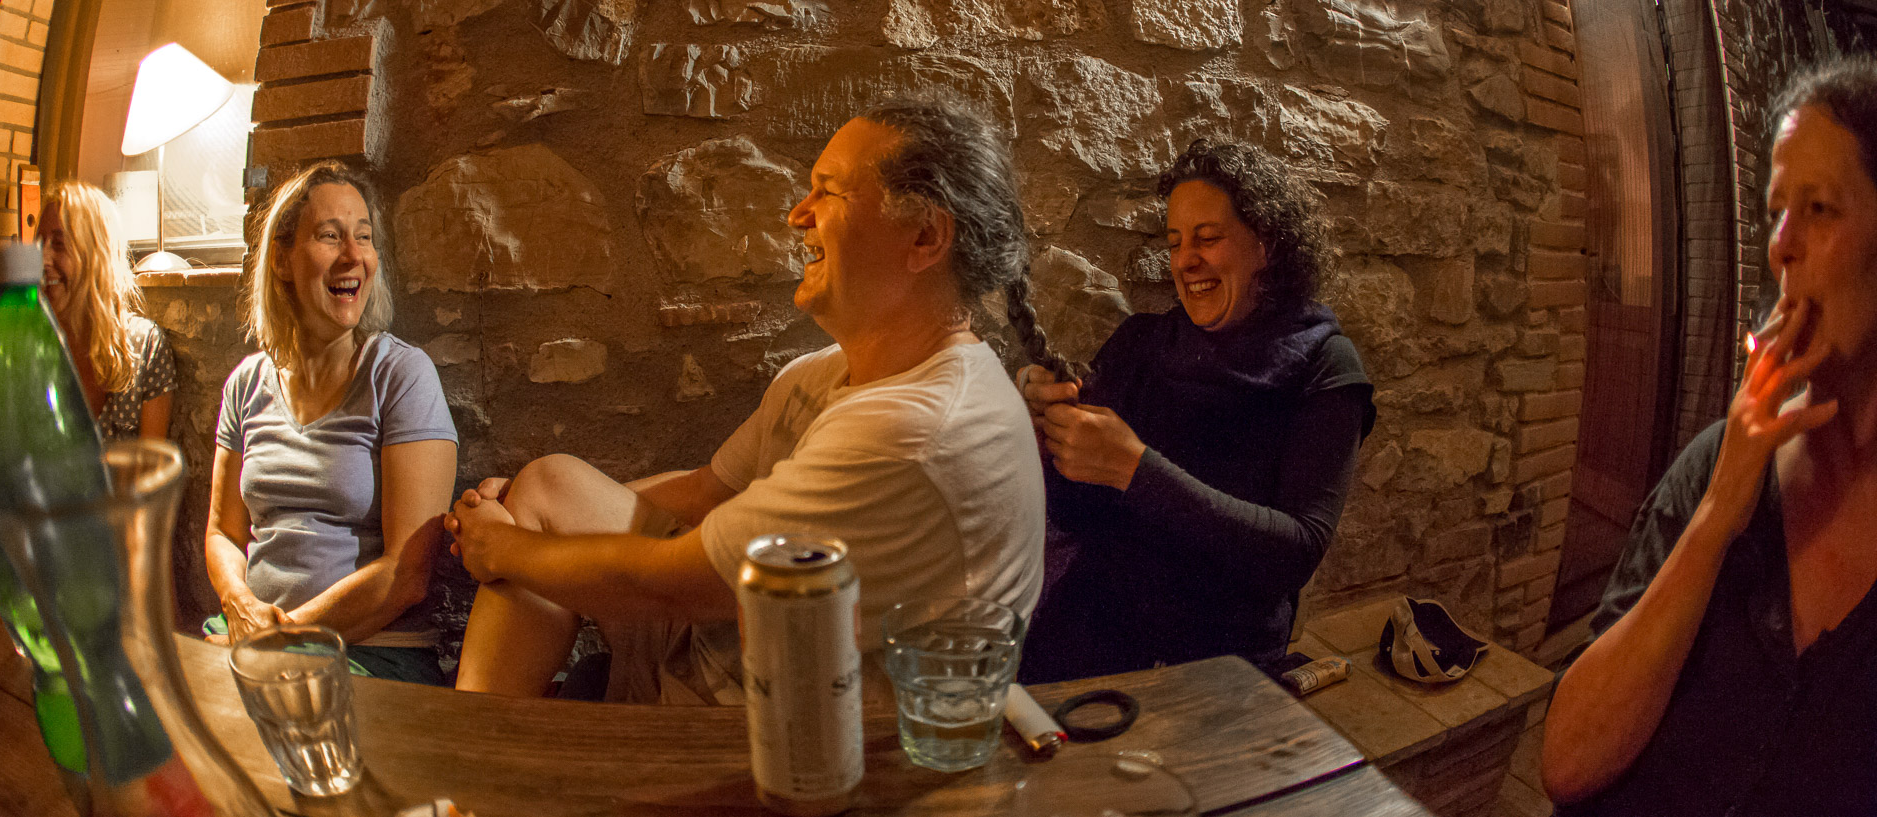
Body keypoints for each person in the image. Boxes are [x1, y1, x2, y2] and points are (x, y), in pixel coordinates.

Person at [446, 98, 1061, 704]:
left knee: (528, 544)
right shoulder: (821, 375)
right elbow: (704, 491)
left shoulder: (917, 429)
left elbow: (673, 586)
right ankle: (481, 743)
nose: (798, 215)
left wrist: (500, 546)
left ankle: (479, 750)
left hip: (779, 727)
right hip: (715, 646)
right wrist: (523, 511)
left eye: (828, 192)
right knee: (548, 484)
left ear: (925, 236)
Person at [1541, 57, 1877, 814]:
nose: (1781, 246)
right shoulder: (1717, 467)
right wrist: (1719, 510)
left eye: (1819, 208)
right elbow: (1567, 760)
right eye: (1776, 211)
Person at [1016, 140, 1375, 683]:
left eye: (1207, 238)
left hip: (1220, 666)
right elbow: (1078, 512)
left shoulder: (1325, 365)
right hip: (1090, 639)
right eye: (1176, 241)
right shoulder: (1140, 343)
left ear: (1266, 245)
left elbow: (1294, 553)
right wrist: (1048, 441)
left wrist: (1134, 468)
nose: (1185, 260)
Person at [202, 161, 458, 685]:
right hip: (249, 636)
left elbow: (406, 574)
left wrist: (279, 636)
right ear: (282, 259)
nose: (353, 256)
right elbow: (222, 532)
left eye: (363, 237)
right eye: (330, 236)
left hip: (368, 652)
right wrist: (239, 604)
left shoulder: (401, 375)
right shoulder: (246, 384)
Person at [35, 181, 175, 440]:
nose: (42, 260)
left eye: (59, 244)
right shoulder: (29, 344)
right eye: (38, 244)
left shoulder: (143, 346)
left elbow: (151, 460)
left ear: (95, 255)